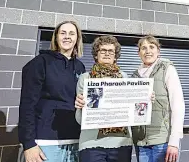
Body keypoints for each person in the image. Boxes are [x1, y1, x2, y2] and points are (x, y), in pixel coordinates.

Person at [18, 20, 86, 162]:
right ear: (56, 37)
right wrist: (29, 144)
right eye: (63, 33)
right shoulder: (40, 62)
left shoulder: (80, 67)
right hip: (45, 142)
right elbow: (27, 105)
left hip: (74, 141)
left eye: (71, 33)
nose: (67, 36)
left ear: (77, 39)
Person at [74, 35, 133, 162]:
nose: (107, 54)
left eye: (111, 51)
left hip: (121, 143)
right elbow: (79, 120)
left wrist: (146, 100)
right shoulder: (85, 78)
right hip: (91, 144)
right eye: (103, 50)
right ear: (96, 54)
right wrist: (80, 108)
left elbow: (132, 111)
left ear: (115, 55)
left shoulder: (125, 78)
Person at [131, 35, 185, 162]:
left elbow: (178, 105)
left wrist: (174, 142)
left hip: (163, 142)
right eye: (143, 48)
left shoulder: (167, 69)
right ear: (139, 53)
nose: (148, 51)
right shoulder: (134, 77)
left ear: (158, 51)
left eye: (151, 47)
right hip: (142, 143)